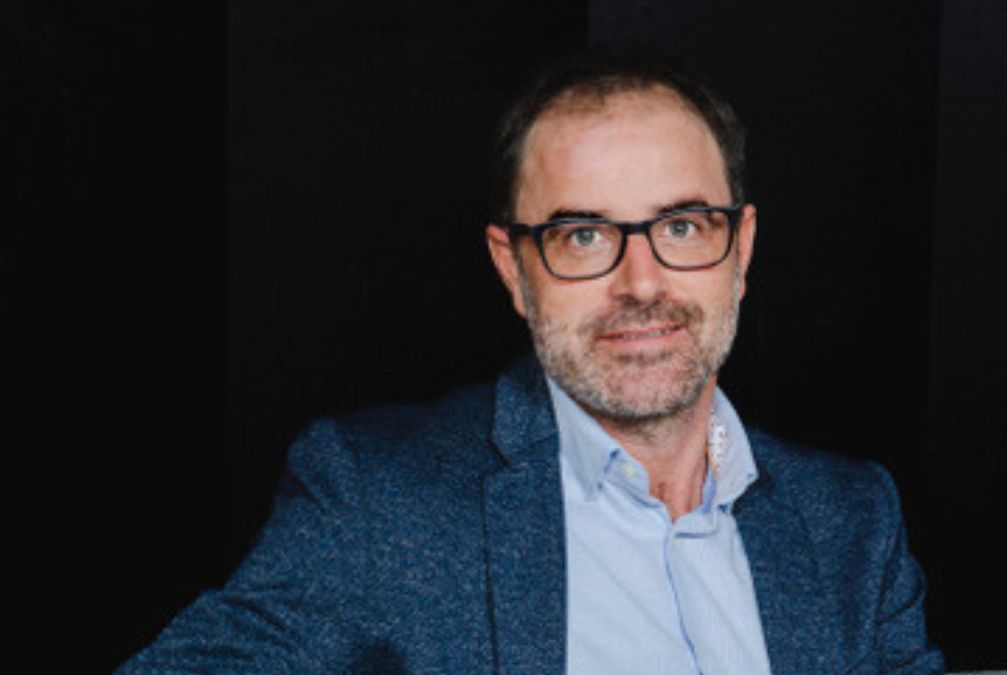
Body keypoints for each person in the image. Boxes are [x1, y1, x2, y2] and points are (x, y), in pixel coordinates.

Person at [119, 50, 944, 674]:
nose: (641, 282)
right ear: (514, 269)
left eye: (683, 226)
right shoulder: (376, 499)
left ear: (742, 248)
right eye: (582, 235)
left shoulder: (853, 519)